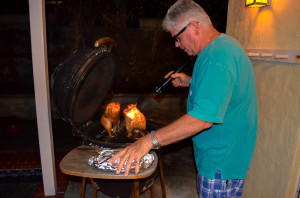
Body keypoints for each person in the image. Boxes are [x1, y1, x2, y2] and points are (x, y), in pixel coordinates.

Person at [110, 0, 257, 197]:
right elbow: (224, 89)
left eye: (177, 38)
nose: (177, 45)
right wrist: (191, 81)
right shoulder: (224, 46)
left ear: (194, 26)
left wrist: (147, 141)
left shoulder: (217, 57)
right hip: (225, 156)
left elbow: (202, 119)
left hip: (219, 162)